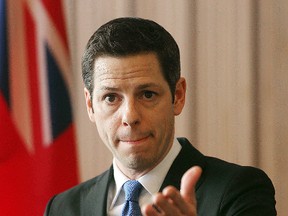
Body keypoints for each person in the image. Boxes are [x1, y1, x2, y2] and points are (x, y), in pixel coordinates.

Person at [44, 17, 276, 216]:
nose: (130, 116)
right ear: (90, 105)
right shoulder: (63, 208)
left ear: (178, 95)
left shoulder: (239, 190)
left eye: (147, 94)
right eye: (111, 98)